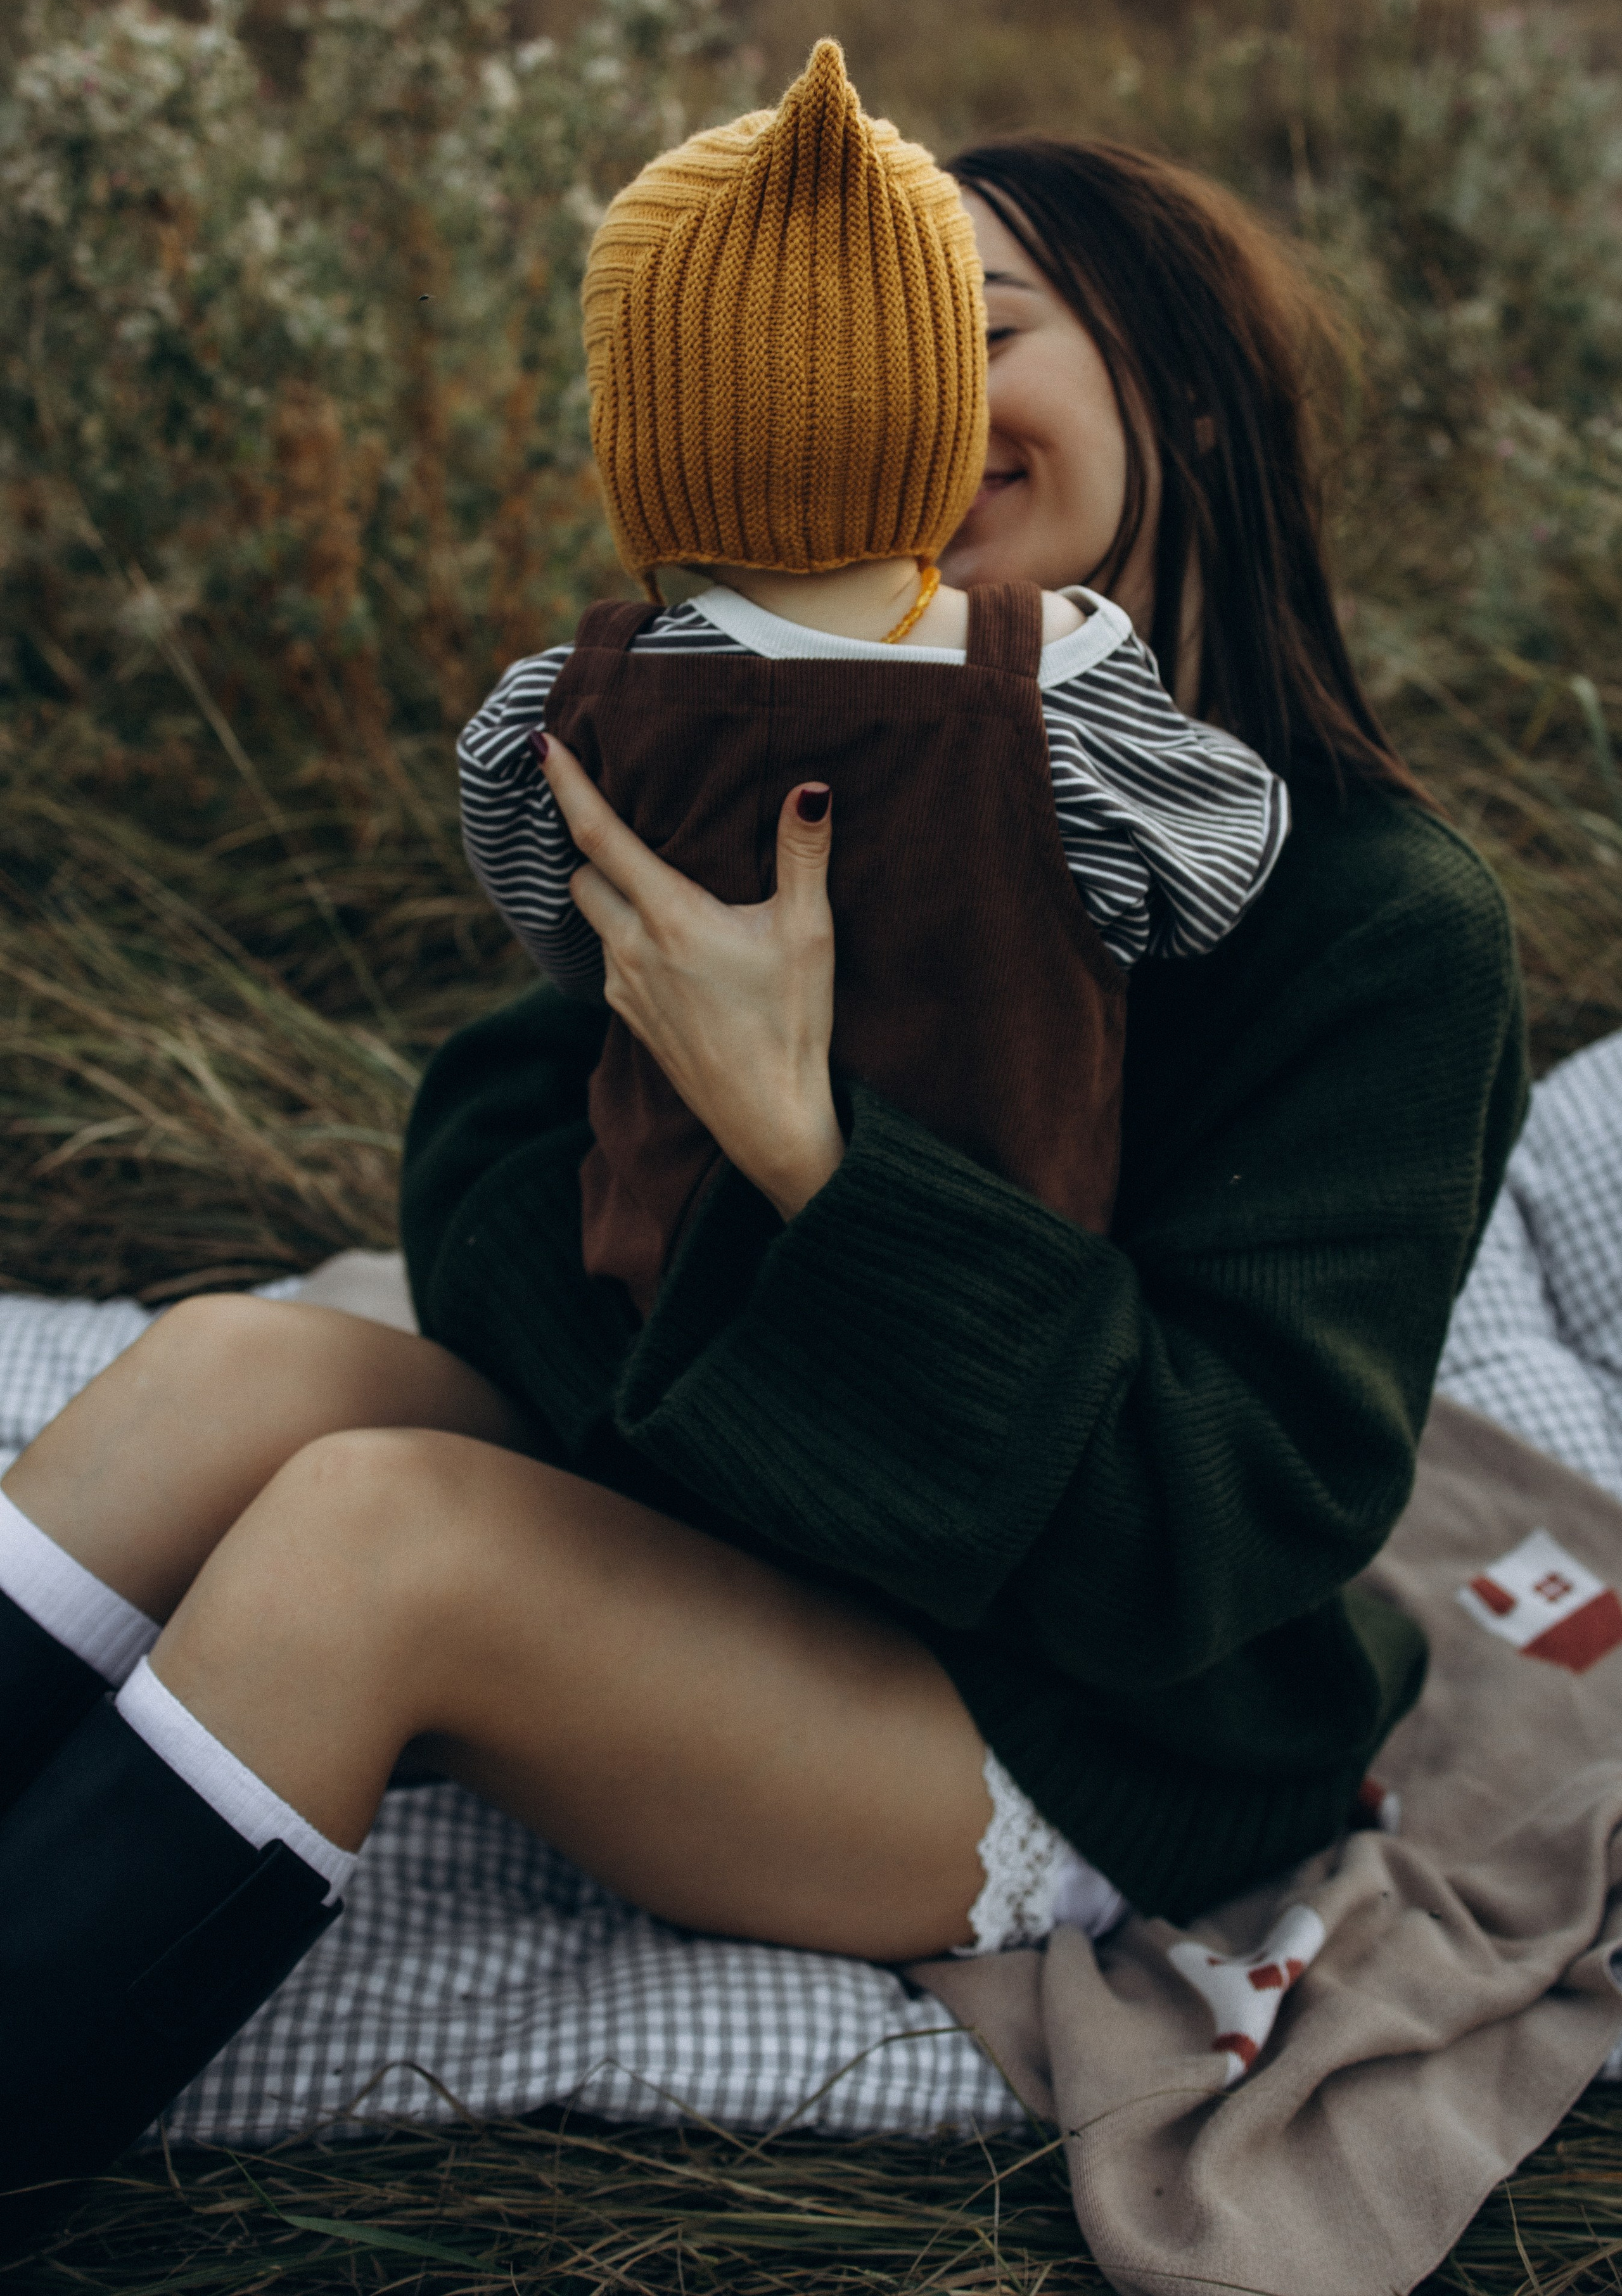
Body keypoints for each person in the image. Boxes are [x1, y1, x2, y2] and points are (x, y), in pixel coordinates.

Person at [0, 110, 1523, 2231]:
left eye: (976, 335)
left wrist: (805, 1149)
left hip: (1071, 1710)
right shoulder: (793, 717)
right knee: (239, 1371)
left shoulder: (1370, 914)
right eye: (871, 352)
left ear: (1177, 384)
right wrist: (708, 1359)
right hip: (757, 1520)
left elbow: (1200, 1528)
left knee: (382, 1533)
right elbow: (493, 1152)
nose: (917, 406)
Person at [456, 42, 1288, 1318]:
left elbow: (576, 943)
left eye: (987, 328)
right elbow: (1212, 873)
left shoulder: (573, 705)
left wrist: (793, 1129)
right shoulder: (1069, 695)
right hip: (956, 1357)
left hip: (673, 1314)